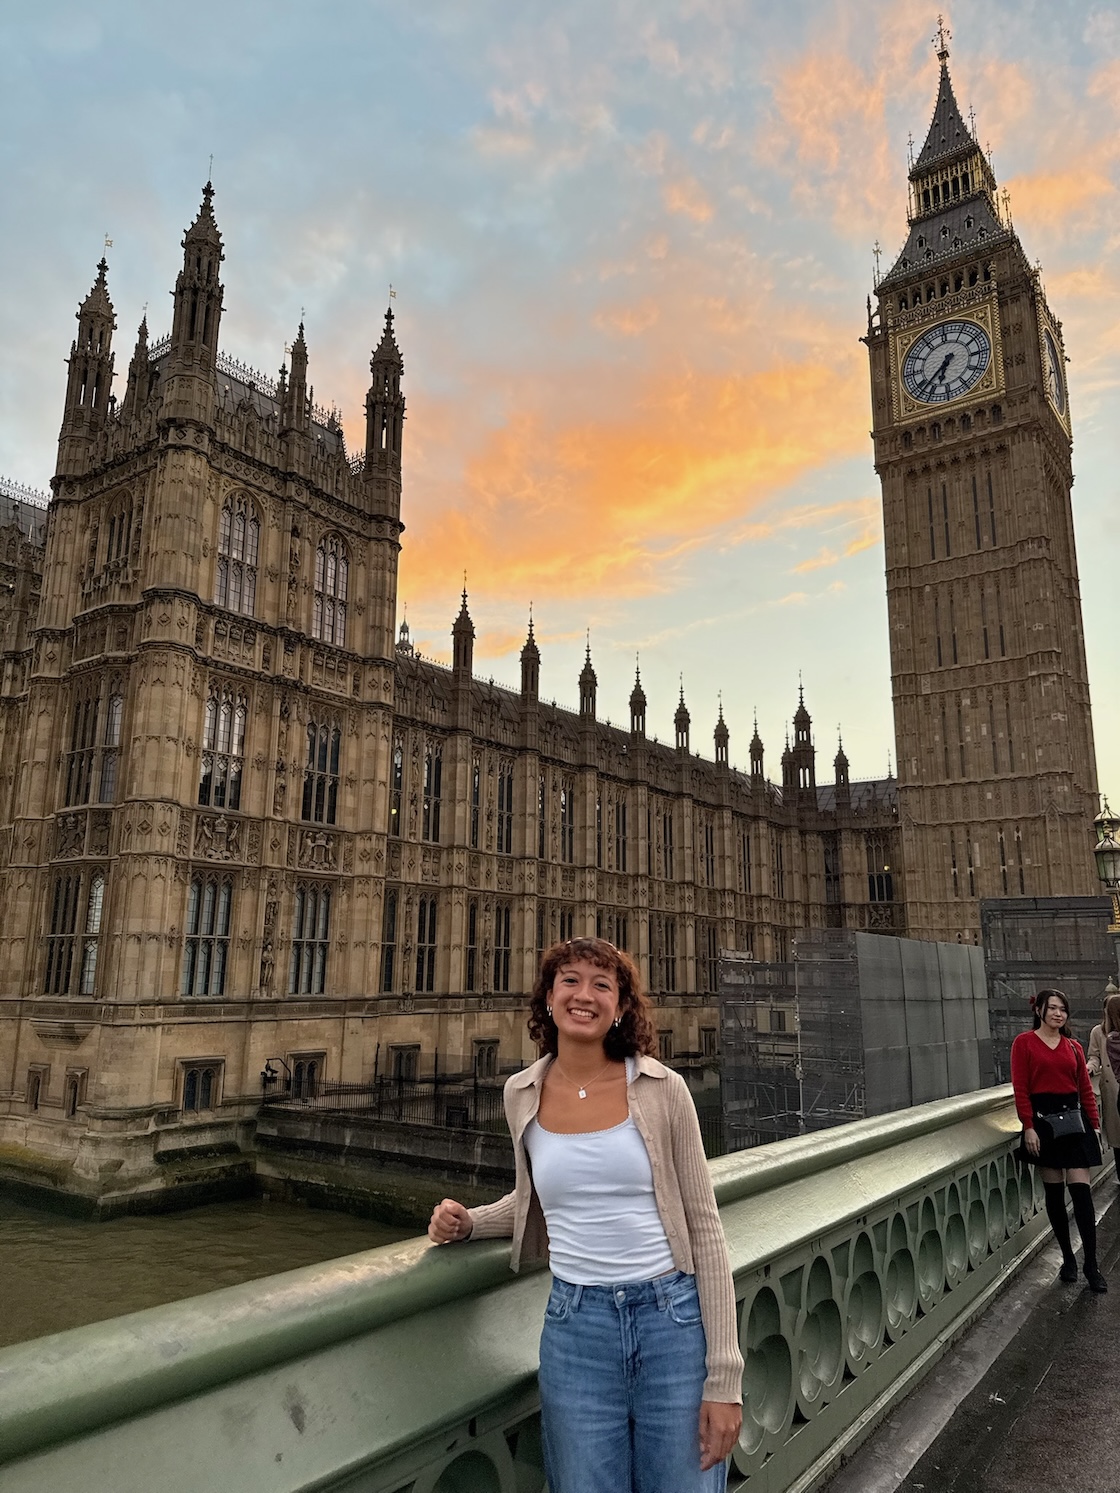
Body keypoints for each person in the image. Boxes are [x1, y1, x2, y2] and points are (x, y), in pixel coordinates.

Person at [428, 937, 743, 1492]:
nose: (584, 995)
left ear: (621, 1007)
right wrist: (471, 1222)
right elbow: (540, 1199)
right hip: (576, 1328)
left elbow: (706, 1230)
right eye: (569, 981)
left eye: (602, 985)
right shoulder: (520, 1094)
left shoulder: (662, 1088)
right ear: (548, 998)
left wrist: (725, 1379)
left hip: (670, 1321)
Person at [1011, 988, 1106, 1292]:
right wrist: (1028, 1126)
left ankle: (1091, 1265)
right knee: (1054, 1196)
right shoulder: (1023, 1044)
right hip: (1043, 1125)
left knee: (1081, 1196)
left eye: (1062, 1009)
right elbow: (1021, 1088)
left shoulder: (1074, 1047)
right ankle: (1068, 1259)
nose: (1058, 1014)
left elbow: (1084, 1089)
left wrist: (1095, 1124)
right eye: (1052, 1008)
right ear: (1038, 1010)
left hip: (1074, 1124)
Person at [1086, 989, 1120, 1183]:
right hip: (1111, 1088)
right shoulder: (1098, 1032)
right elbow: (1094, 1056)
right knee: (1117, 1137)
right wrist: (1090, 1068)